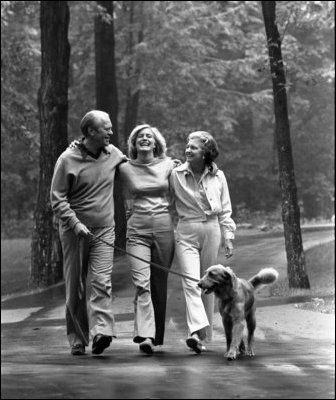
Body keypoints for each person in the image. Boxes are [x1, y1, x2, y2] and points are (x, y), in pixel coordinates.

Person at [50, 110, 127, 356]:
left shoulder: (113, 154)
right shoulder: (67, 159)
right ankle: (78, 338)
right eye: (106, 128)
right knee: (76, 285)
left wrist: (170, 166)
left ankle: (102, 331)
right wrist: (74, 223)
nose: (111, 132)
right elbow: (57, 198)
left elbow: (137, 168)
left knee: (101, 280)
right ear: (91, 132)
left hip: (105, 229)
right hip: (75, 232)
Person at [169, 130, 236, 353]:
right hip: (186, 229)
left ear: (206, 152)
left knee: (208, 284)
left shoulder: (219, 176)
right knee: (190, 280)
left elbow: (225, 210)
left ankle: (202, 337)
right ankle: (196, 331)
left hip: (212, 228)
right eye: (187, 146)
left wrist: (228, 237)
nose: (188, 149)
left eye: (194, 147)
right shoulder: (175, 173)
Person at [118, 124, 177, 355]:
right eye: (140, 136)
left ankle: (156, 336)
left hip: (164, 227)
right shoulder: (123, 167)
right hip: (137, 230)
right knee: (142, 283)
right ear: (134, 143)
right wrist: (77, 146)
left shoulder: (169, 164)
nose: (144, 139)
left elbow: (190, 176)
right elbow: (97, 162)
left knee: (158, 283)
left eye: (148, 136)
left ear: (156, 143)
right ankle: (146, 335)